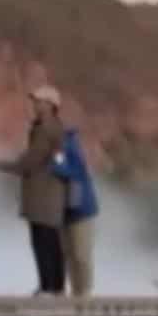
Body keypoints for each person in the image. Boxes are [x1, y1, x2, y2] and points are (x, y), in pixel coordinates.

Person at [0, 85, 68, 295]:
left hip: (43, 193)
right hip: (48, 192)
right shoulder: (52, 126)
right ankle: (55, 287)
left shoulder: (46, 128)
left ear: (50, 105)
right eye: (35, 101)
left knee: (44, 241)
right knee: (50, 241)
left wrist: (7, 167)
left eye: (39, 101)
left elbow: (33, 159)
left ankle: (49, 287)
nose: (35, 105)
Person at [54, 124, 99, 297]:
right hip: (61, 210)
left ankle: (84, 294)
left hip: (80, 209)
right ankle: (74, 293)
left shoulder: (68, 146)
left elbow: (66, 171)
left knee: (80, 254)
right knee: (67, 254)